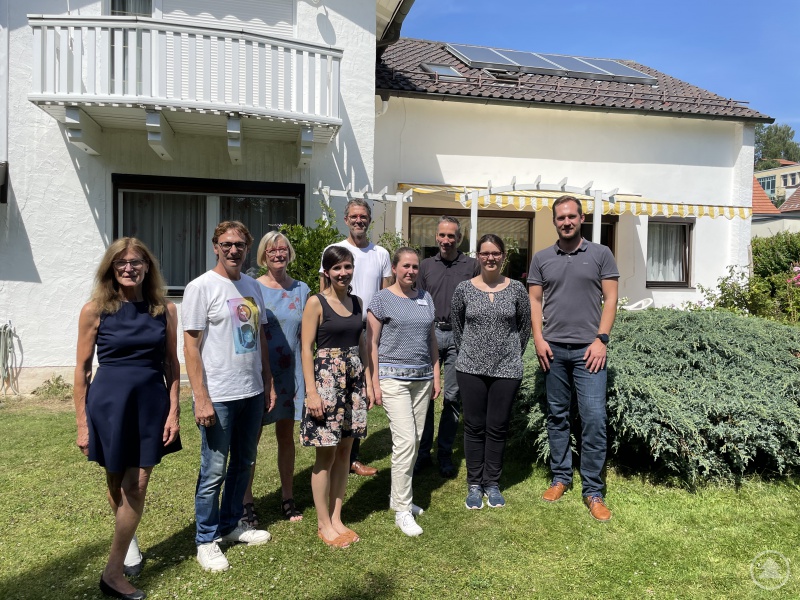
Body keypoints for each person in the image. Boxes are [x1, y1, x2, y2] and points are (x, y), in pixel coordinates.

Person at [74, 238, 181, 600]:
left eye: (136, 262)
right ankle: (128, 539)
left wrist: (174, 409)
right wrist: (82, 423)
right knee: (116, 477)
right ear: (111, 269)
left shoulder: (164, 309)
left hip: (150, 402)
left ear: (147, 267)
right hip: (109, 404)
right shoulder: (95, 310)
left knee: (137, 484)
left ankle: (112, 571)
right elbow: (82, 368)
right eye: (121, 263)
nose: (129, 268)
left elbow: (171, 362)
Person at [182, 221, 278, 573]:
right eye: (226, 243)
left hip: (250, 391)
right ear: (215, 247)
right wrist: (201, 397)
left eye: (239, 244)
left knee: (244, 462)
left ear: (247, 247)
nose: (233, 250)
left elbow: (261, 338)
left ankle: (231, 524)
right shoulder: (201, 287)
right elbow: (190, 347)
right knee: (214, 469)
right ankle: (206, 539)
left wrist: (267, 381)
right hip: (218, 394)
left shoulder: (253, 286)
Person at [528, 195, 619, 522]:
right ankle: (561, 478)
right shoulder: (542, 258)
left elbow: (611, 300)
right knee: (557, 416)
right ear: (555, 221)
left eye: (571, 216)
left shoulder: (600, 254)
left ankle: (593, 491)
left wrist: (601, 340)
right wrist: (538, 339)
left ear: (581, 218)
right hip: (553, 351)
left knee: (594, 419)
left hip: (589, 352)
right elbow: (535, 301)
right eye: (560, 217)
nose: (566, 222)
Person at [451, 234, 531, 510]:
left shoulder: (517, 289)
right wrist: (471, 354)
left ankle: (492, 483)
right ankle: (475, 484)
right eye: (485, 253)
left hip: (507, 369)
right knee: (473, 426)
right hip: (470, 367)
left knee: (497, 427)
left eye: (495, 253)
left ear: (503, 255)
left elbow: (524, 327)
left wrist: (509, 355)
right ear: (477, 255)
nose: (490, 258)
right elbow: (458, 327)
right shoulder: (464, 289)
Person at [367, 247, 440, 537]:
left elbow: (431, 338)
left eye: (415, 267)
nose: (411, 271)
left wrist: (436, 374)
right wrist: (373, 382)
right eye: (405, 266)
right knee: (406, 441)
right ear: (395, 268)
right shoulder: (382, 299)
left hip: (422, 379)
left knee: (417, 440)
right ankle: (401, 510)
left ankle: (403, 497)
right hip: (393, 379)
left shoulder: (425, 297)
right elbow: (370, 343)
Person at [303, 245, 373, 548]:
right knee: (326, 454)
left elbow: (362, 344)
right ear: (327, 273)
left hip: (353, 382)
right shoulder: (316, 303)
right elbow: (306, 349)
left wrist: (368, 383)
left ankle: (336, 517)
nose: (343, 273)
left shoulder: (357, 302)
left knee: (345, 451)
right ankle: (323, 524)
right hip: (326, 383)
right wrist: (311, 392)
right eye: (336, 268)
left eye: (347, 267)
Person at [319, 198, 391, 477]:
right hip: (339, 329)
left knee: (360, 392)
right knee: (336, 389)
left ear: (369, 220)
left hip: (369, 331)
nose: (359, 221)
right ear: (346, 219)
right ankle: (334, 450)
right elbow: (323, 291)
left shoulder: (381, 254)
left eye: (363, 216)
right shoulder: (334, 250)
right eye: (354, 216)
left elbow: (385, 294)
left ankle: (352, 456)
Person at [242, 231, 310, 525]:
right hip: (259, 374)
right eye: (272, 251)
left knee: (286, 437)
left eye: (283, 249)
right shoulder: (252, 288)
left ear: (289, 252)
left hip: (291, 373)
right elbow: (246, 333)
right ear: (263, 256)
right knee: (250, 440)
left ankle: (287, 496)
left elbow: (308, 335)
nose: (278, 254)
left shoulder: (302, 289)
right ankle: (246, 502)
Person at [416, 216, 480, 478]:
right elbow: (416, 301)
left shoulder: (472, 266)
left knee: (452, 397)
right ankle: (422, 454)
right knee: (427, 397)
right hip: (429, 334)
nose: (446, 240)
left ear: (459, 238)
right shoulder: (425, 266)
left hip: (458, 337)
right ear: (435, 237)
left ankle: (444, 455)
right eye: (442, 235)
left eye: (451, 236)